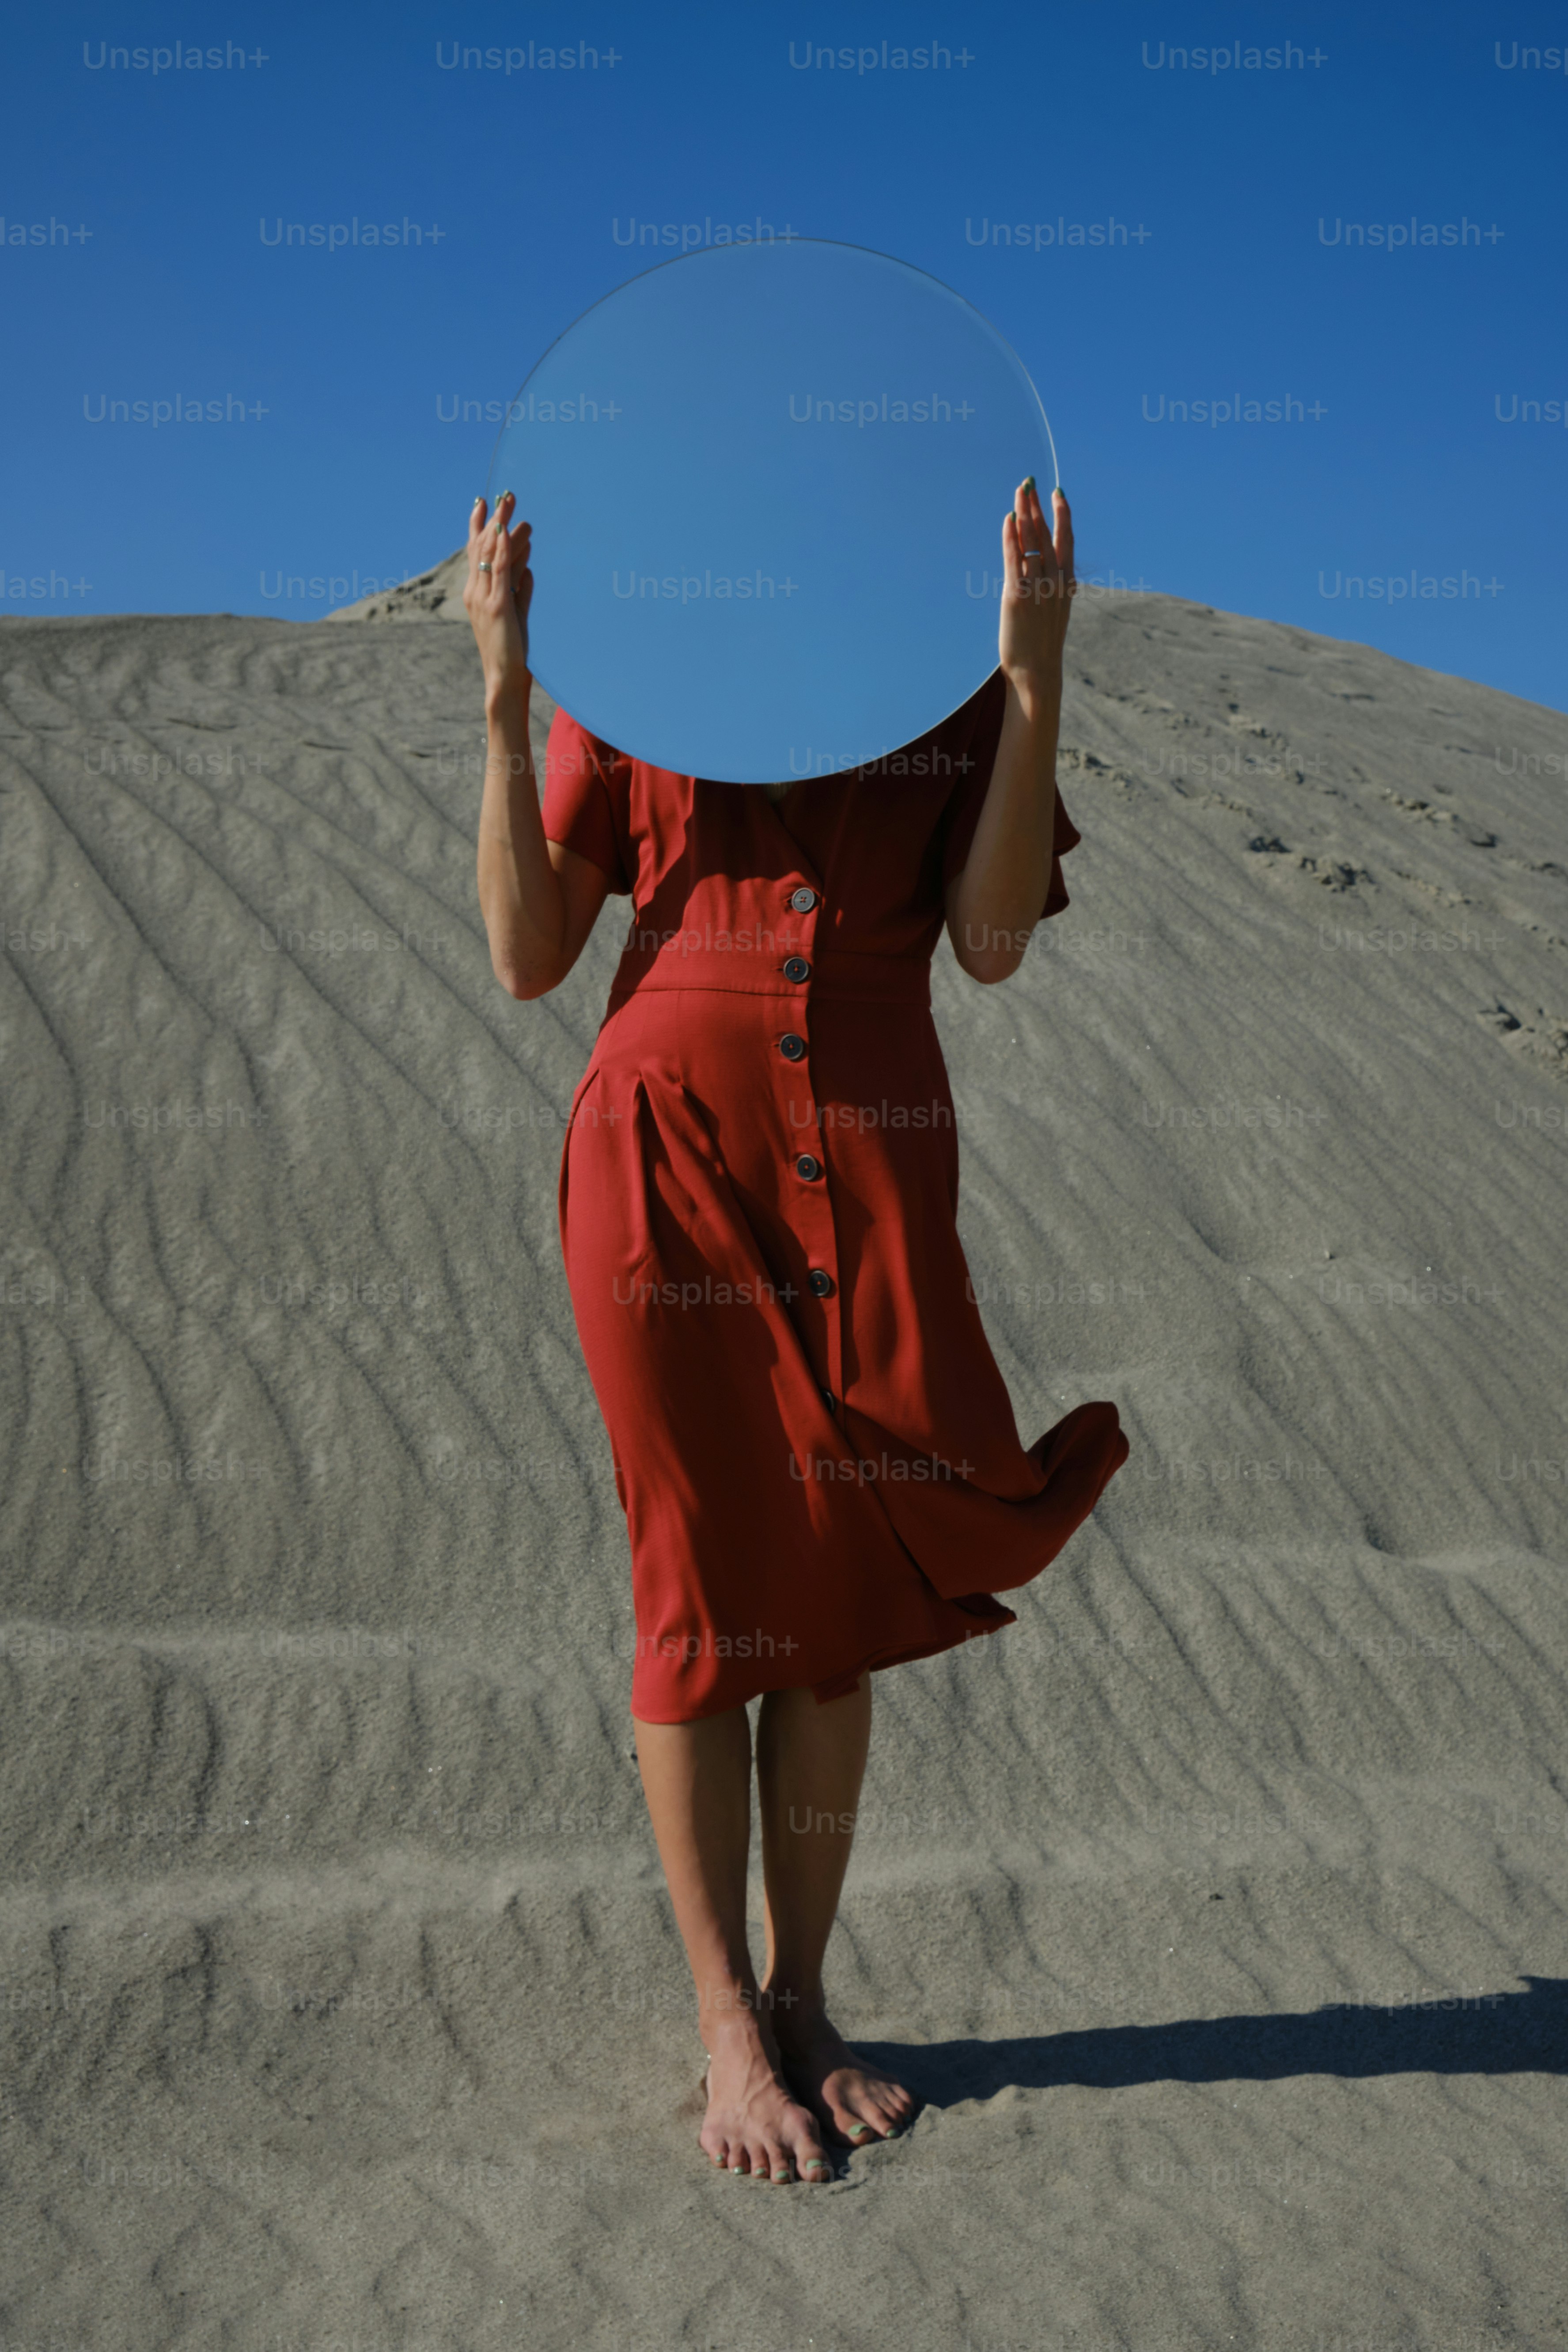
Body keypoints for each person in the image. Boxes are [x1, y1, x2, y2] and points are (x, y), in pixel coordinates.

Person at [465, 477, 1127, 2187]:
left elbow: (987, 948)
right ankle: (725, 2028)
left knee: (834, 1592)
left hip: (874, 1158)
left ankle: (810, 2000)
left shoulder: (947, 684)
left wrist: (1036, 685)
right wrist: (506, 697)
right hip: (663, 1156)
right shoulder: (636, 671)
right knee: (697, 1586)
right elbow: (532, 955)